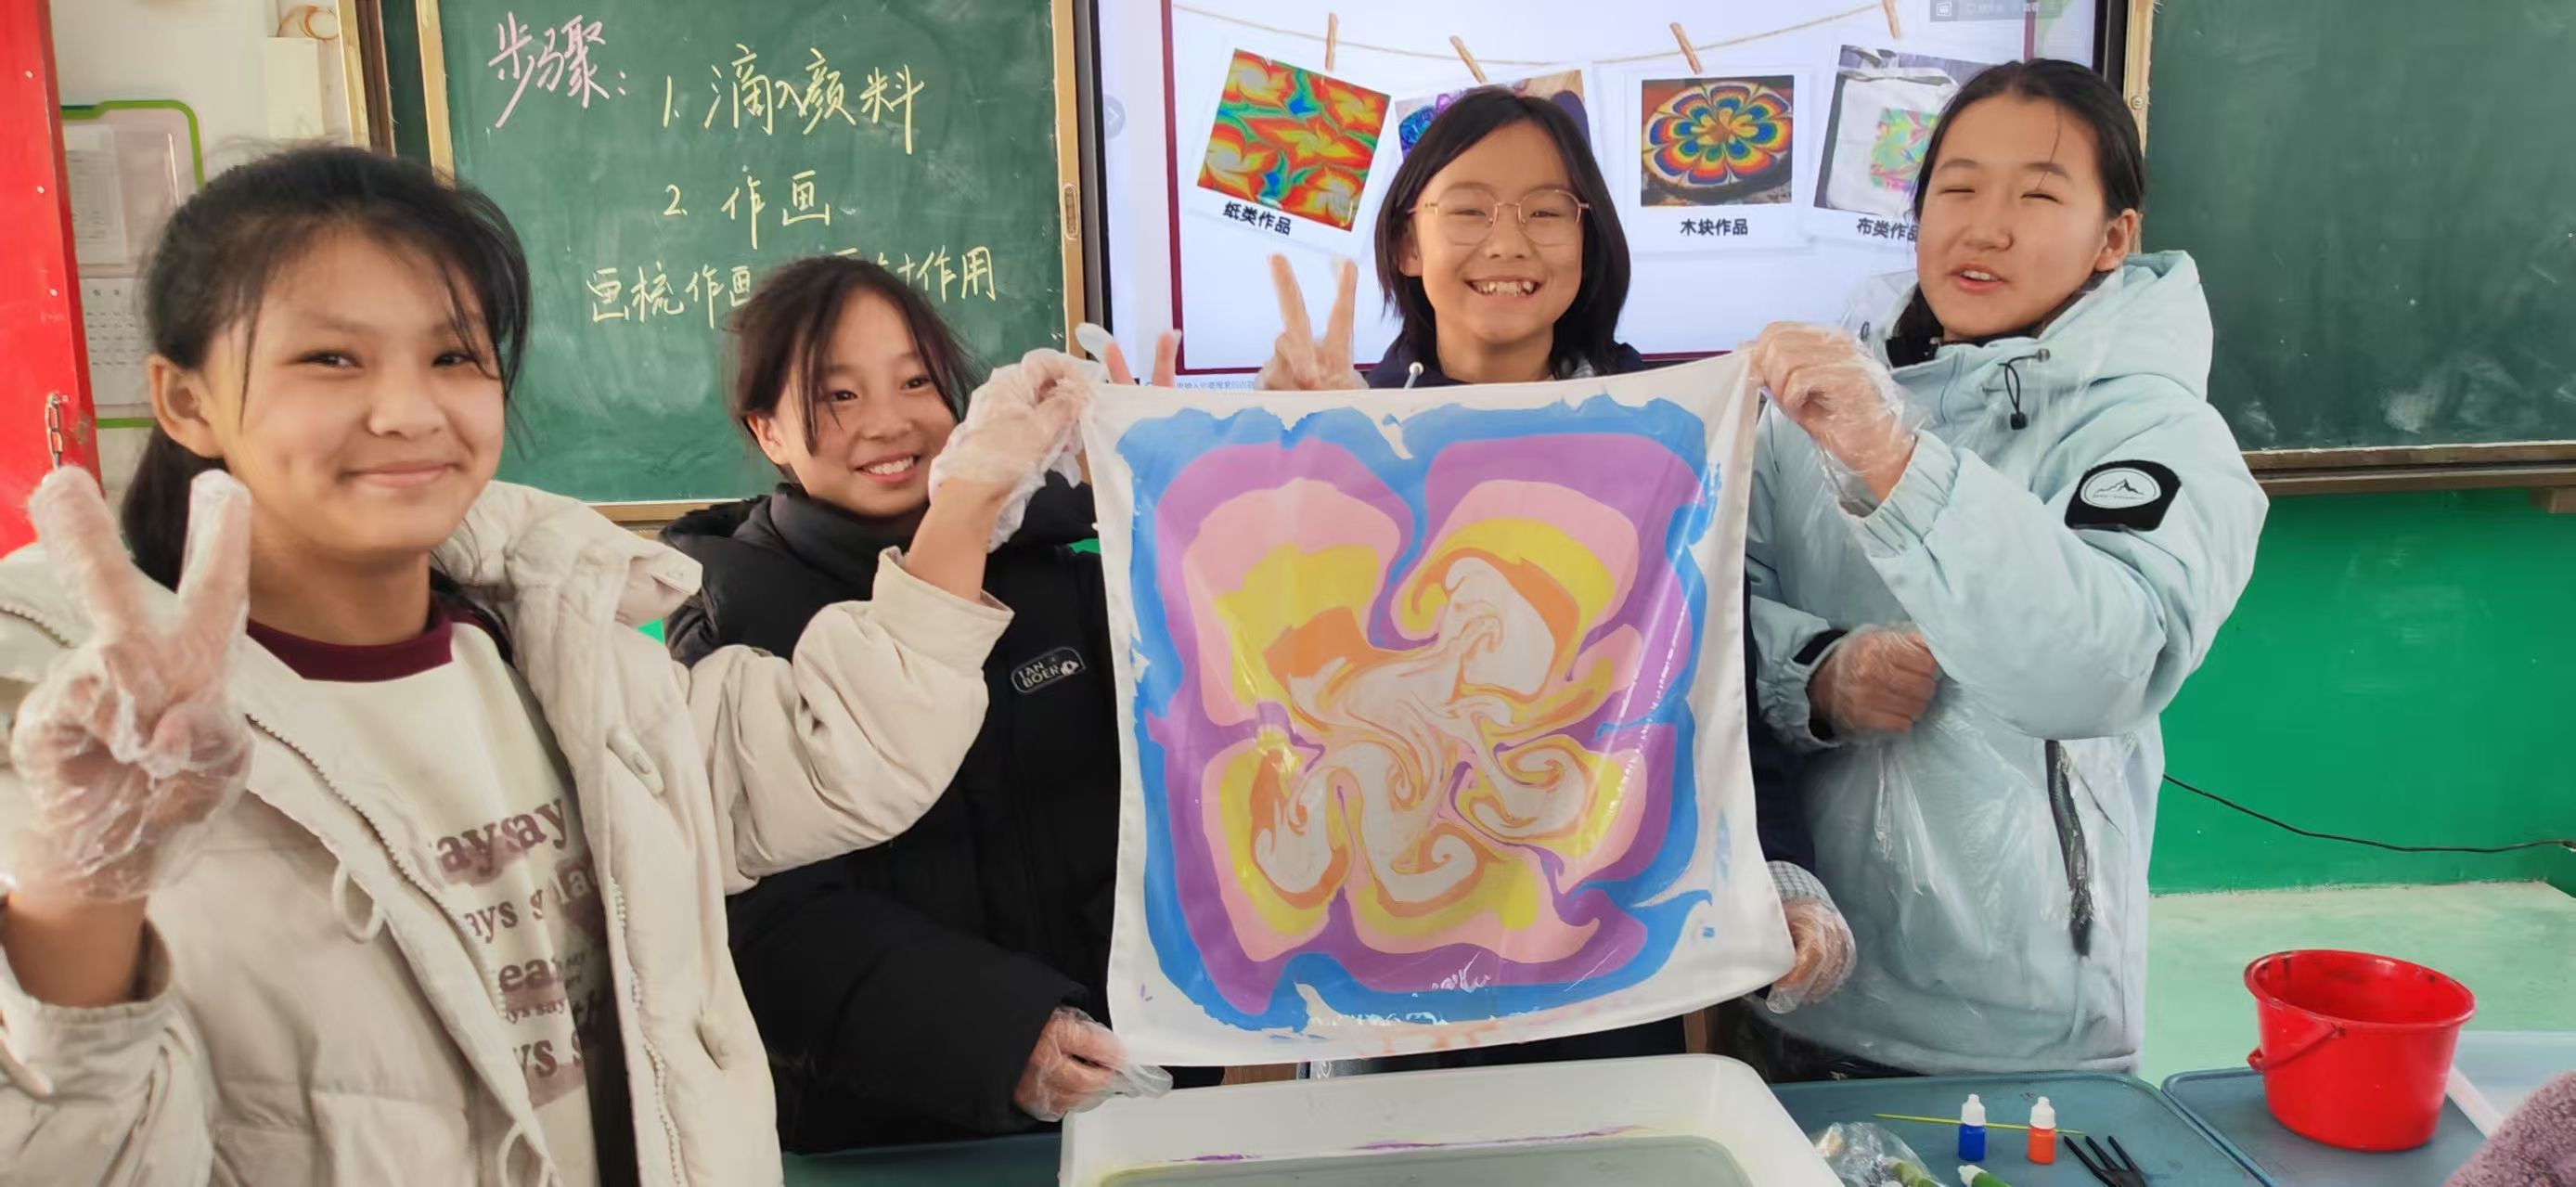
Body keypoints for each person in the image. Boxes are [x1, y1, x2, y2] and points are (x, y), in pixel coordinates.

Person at [0, 146, 1099, 1183]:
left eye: (452, 355)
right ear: (186, 399)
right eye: (331, 358)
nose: (407, 409)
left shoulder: (566, 664)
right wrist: (78, 896)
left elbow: (838, 748)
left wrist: (973, 493)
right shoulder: (88, 737)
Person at [1254, 86, 1857, 1069]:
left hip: (1606, 966)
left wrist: (1784, 880)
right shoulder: (1342, 432)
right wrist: (1281, 474)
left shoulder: (1664, 445)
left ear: (1588, 239)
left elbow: (1723, 706)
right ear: (1406, 242)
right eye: (1468, 208)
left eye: (1545, 209)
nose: (1509, 241)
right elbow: (1268, 705)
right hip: (1381, 974)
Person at [1737, 58, 2269, 1078]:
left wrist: (1900, 466)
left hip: (2019, 1036)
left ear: (2114, 236)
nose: (1985, 228)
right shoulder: (1815, 405)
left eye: (2037, 195)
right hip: (1805, 981)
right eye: (1958, 188)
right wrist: (1815, 673)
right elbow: (1714, 625)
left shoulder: (2153, 431)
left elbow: (2098, 666)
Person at [660, 257, 1183, 1150]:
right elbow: (763, 925)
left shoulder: (1056, 565)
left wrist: (1192, 494)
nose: (890, 422)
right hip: (888, 1132)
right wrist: (999, 1035)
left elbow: (1196, 761)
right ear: (768, 430)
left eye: (914, 381)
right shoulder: (729, 622)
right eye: (838, 395)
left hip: (1129, 1092)